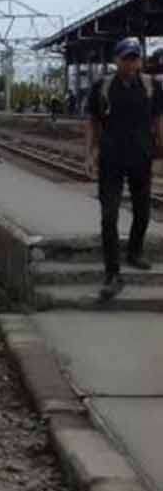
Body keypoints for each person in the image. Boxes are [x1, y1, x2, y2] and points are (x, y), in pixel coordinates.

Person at [87, 37, 163, 300]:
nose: (131, 63)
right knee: (109, 216)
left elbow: (157, 119)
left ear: (140, 60)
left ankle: (134, 251)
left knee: (142, 211)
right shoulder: (103, 86)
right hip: (111, 159)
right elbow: (93, 122)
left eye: (135, 57)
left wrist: (160, 148)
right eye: (126, 58)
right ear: (116, 60)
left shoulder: (151, 86)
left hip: (141, 158)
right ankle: (112, 273)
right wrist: (90, 153)